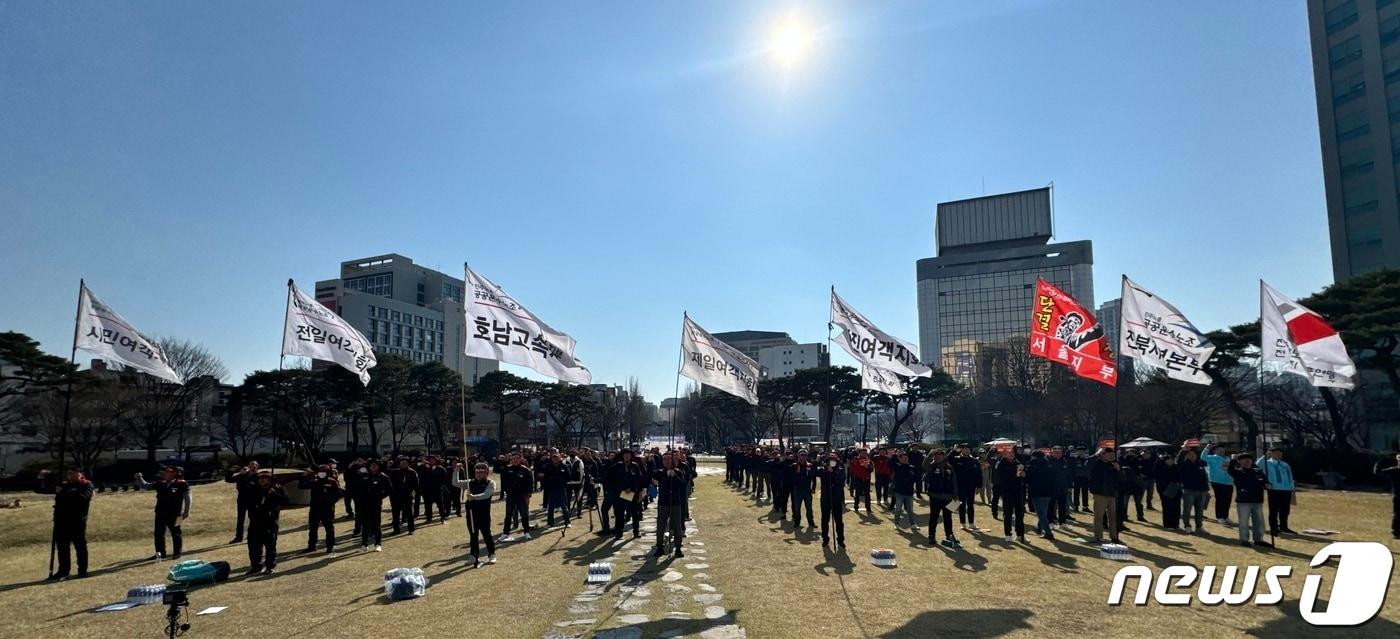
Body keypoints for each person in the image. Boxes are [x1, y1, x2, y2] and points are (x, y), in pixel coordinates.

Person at [138, 466, 190, 560]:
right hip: (160, 513)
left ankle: (177, 553)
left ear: (174, 473)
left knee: (176, 533)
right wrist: (139, 478)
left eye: (168, 472)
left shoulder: (182, 484)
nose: (165, 474)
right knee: (158, 534)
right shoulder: (161, 483)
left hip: (176, 514)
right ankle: (159, 554)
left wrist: (186, 511)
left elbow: (187, 498)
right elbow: (145, 485)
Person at [50, 469, 93, 581]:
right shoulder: (63, 485)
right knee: (62, 547)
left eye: (74, 473)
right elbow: (41, 489)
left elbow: (82, 498)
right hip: (61, 520)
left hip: (77, 520)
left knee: (80, 546)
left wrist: (64, 493)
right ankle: (63, 571)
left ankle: (82, 570)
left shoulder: (87, 485)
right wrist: (41, 478)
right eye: (69, 473)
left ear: (80, 474)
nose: (71, 475)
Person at [245, 470, 289, 575]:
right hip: (255, 522)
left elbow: (285, 501)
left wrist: (274, 494)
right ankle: (256, 566)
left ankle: (270, 566)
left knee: (270, 547)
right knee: (253, 546)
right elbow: (247, 502)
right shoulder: (253, 489)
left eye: (265, 479)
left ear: (269, 480)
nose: (262, 481)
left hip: (270, 523)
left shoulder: (277, 488)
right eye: (260, 479)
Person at [454, 462, 497, 567]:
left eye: (481, 471)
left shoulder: (490, 483)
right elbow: (456, 483)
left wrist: (473, 497)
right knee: (473, 535)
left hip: (484, 513)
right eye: (477, 471)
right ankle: (473, 556)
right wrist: (456, 470)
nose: (479, 473)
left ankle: (492, 554)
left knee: (487, 534)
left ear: (486, 472)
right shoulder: (470, 482)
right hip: (472, 513)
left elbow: (486, 495)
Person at [1228, 453, 1271, 548]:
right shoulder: (1238, 471)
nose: (1247, 461)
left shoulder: (1258, 471)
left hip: (1257, 500)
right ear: (1239, 462)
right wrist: (1233, 460)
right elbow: (1231, 470)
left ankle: (1259, 539)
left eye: (1249, 459)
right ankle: (1244, 540)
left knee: (1259, 521)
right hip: (1244, 501)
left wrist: (1267, 484)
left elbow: (1265, 481)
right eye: (1244, 460)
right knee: (1244, 522)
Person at [652, 452, 688, 558]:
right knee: (660, 527)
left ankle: (678, 548)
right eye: (664, 460)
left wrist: (675, 476)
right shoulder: (660, 472)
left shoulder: (678, 472)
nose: (666, 462)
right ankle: (659, 547)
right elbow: (653, 473)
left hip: (675, 503)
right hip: (663, 503)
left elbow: (682, 484)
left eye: (668, 460)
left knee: (677, 527)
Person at [299, 464, 342, 554]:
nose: (321, 474)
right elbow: (302, 486)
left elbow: (338, 494)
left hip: (327, 509)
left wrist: (330, 501)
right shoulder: (315, 481)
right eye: (320, 472)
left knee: (329, 528)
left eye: (323, 472)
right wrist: (305, 476)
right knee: (313, 528)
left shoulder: (332, 482)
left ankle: (330, 546)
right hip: (315, 508)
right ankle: (312, 546)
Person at [923, 449, 961, 548]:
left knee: (948, 517)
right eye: (936, 455)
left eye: (940, 455)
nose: (938, 457)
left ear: (944, 456)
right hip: (935, 496)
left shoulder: (949, 467)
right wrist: (930, 453)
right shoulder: (931, 466)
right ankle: (931, 536)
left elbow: (954, 482)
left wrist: (956, 495)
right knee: (934, 517)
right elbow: (924, 464)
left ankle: (949, 535)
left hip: (948, 496)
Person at [353, 461, 392, 551]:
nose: (373, 467)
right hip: (364, 504)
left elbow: (389, 489)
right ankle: (364, 544)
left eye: (375, 465)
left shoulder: (383, 477)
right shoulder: (364, 476)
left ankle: (378, 544)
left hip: (376, 504)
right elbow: (356, 486)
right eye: (372, 465)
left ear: (378, 467)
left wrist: (380, 496)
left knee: (376, 525)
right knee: (365, 525)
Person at [1259, 448, 1297, 535]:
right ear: (1271, 454)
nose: (1278, 455)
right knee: (1274, 510)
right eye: (1276, 453)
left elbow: (1290, 476)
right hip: (1274, 489)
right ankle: (1274, 528)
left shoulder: (1285, 464)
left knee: (1285, 510)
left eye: (1280, 453)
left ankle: (1284, 527)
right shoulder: (1267, 463)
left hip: (1286, 489)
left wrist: (1292, 488)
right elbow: (1257, 466)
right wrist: (1265, 456)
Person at [1087, 448, 1121, 544]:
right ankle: (1098, 536)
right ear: (1102, 454)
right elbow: (1087, 465)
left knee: (1113, 516)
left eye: (1113, 455)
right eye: (1109, 455)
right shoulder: (1096, 463)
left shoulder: (1113, 465)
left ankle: (1114, 536)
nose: (1112, 457)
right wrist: (1095, 455)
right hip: (1100, 493)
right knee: (1099, 516)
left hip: (1112, 494)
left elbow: (1118, 480)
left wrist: (1118, 470)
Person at [501, 453, 536, 541]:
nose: (515, 460)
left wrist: (528, 495)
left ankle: (527, 532)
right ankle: (505, 533)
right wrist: (507, 492)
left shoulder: (526, 470)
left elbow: (530, 484)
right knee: (508, 515)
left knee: (524, 515)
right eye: (513, 458)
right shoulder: (507, 469)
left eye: (517, 458)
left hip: (522, 496)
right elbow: (504, 482)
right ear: (511, 459)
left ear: (521, 459)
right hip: (511, 496)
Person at [995, 448, 1027, 543]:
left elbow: (1023, 476)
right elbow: (1001, 477)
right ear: (1004, 454)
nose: (1011, 454)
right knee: (1008, 514)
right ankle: (1008, 534)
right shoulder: (1001, 464)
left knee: (1020, 514)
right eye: (1008, 453)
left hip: (1018, 491)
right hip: (1007, 491)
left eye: (1012, 453)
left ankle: (1020, 534)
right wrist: (1014, 475)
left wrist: (1024, 475)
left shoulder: (1018, 463)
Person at [816, 451, 847, 549]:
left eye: (834, 458)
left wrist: (832, 472)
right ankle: (825, 539)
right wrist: (817, 461)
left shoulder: (841, 469)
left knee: (839, 521)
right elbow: (813, 472)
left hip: (837, 497)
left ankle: (840, 540)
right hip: (825, 497)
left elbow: (841, 481)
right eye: (830, 458)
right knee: (825, 519)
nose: (832, 460)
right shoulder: (823, 468)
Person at [1025, 450, 1056, 541]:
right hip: (1048, 492)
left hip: (1036, 492)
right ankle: (1039, 528)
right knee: (1044, 511)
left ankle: (1048, 532)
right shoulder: (1049, 465)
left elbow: (1028, 478)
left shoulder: (1032, 465)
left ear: (1034, 456)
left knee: (1040, 513)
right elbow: (1054, 477)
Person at [950, 444, 982, 531]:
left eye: (968, 449)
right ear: (961, 450)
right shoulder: (956, 459)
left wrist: (979, 485)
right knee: (961, 505)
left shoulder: (974, 461)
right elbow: (948, 460)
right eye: (964, 449)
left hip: (971, 486)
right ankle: (963, 524)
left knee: (971, 505)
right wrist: (954, 450)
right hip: (960, 486)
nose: (966, 450)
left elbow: (979, 474)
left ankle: (971, 523)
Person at [226, 461, 260, 544]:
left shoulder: (259, 476)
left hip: (253, 501)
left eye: (254, 464)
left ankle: (252, 536)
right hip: (242, 500)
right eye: (250, 464)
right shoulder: (242, 475)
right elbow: (228, 480)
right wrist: (233, 470)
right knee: (240, 519)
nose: (252, 466)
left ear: (257, 467)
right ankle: (238, 537)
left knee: (253, 519)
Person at [1178, 448, 1210, 534]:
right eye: (1189, 454)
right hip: (1189, 490)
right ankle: (1187, 525)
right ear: (1186, 455)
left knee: (1199, 510)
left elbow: (1206, 476)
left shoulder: (1202, 463)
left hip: (1201, 490)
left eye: (1193, 454)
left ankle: (1199, 526)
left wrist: (1206, 489)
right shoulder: (1184, 464)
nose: (1192, 455)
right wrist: (1183, 450)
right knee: (1187, 509)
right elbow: (1179, 460)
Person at [1203, 445, 1236, 526]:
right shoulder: (1212, 457)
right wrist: (1207, 448)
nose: (1222, 450)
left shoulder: (1228, 458)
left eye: (1223, 449)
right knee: (1220, 499)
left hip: (1229, 482)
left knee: (1227, 500)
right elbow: (1203, 457)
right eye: (1219, 449)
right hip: (1217, 481)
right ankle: (1220, 517)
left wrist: (1234, 460)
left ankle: (1225, 516)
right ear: (1215, 451)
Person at [539, 453, 573, 529]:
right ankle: (550, 523)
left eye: (557, 457)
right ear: (551, 459)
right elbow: (543, 477)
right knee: (551, 508)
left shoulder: (564, 466)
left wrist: (563, 482)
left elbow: (569, 477)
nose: (555, 459)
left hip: (561, 489)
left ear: (560, 458)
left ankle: (567, 522)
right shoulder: (548, 466)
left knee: (564, 507)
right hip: (552, 490)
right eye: (553, 458)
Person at [890, 451, 919, 531]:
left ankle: (912, 523)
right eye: (902, 458)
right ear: (899, 459)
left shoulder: (912, 467)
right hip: (899, 492)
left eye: (906, 458)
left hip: (909, 492)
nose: (904, 459)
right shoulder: (897, 466)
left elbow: (915, 478)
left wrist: (910, 480)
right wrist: (895, 455)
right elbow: (890, 463)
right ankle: (896, 523)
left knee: (910, 509)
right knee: (898, 509)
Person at [787, 451, 816, 529]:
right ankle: (797, 522)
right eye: (801, 455)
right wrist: (796, 472)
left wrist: (813, 487)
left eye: (805, 455)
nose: (803, 456)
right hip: (797, 490)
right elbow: (789, 475)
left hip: (807, 490)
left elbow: (813, 477)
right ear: (798, 456)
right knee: (797, 507)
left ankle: (811, 522)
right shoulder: (794, 466)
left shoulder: (810, 465)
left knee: (809, 507)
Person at [390, 459, 419, 536]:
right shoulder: (395, 472)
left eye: (405, 463)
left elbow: (416, 484)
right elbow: (391, 484)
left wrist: (412, 492)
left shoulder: (412, 472)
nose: (403, 464)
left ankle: (411, 529)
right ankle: (396, 530)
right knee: (395, 514)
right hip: (397, 496)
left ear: (408, 464)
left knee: (409, 513)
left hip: (408, 495)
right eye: (401, 463)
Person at [1155, 453, 1183, 531]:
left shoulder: (1175, 467)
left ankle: (1176, 524)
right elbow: (1159, 478)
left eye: (1172, 460)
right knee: (1167, 507)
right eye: (1169, 459)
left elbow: (1179, 477)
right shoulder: (1161, 468)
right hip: (1165, 491)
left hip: (1176, 490)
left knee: (1177, 507)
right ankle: (1167, 524)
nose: (1171, 461)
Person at [1376, 452, 1400, 539]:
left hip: (1397, 495)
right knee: (1398, 514)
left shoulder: (1394, 471)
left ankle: (1396, 532)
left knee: (1397, 514)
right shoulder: (1395, 471)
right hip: (1398, 496)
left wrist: (1380, 461)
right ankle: (1396, 532)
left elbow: (1378, 472)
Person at [848, 450, 874, 515]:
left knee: (867, 494)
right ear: (859, 453)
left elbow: (871, 469)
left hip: (866, 479)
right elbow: (851, 468)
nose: (864, 454)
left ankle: (868, 508)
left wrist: (867, 467)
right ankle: (856, 506)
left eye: (865, 453)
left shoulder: (868, 460)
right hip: (858, 478)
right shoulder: (855, 459)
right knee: (857, 493)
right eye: (862, 453)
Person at [1069, 449, 1091, 513]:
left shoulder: (1087, 459)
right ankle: (1076, 506)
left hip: (1085, 478)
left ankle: (1085, 506)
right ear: (1077, 452)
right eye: (1079, 451)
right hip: (1077, 478)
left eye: (1082, 451)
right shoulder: (1074, 460)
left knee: (1085, 492)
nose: (1081, 452)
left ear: (1084, 452)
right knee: (1076, 493)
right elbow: (1071, 469)